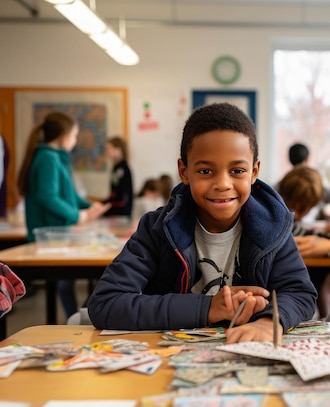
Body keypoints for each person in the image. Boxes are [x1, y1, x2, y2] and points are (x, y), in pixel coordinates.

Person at [87, 102, 317, 343]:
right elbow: (106, 303)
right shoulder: (157, 229)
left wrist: (269, 322)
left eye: (237, 171)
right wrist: (207, 308)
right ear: (184, 171)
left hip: (247, 358)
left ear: (254, 172)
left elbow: (300, 293)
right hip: (169, 362)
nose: (223, 184)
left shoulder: (273, 227)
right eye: (206, 171)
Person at [16, 111, 110, 319]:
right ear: (63, 135)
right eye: (75, 136)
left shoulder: (55, 158)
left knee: (67, 283)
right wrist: (78, 216)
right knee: (67, 282)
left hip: (57, 235)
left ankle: (75, 317)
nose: (76, 141)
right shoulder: (48, 158)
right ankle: (76, 318)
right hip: (49, 237)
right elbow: (48, 198)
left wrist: (90, 205)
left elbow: (68, 195)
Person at [277, 165, 330, 318]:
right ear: (301, 206)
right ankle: (323, 315)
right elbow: (314, 239)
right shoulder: (281, 218)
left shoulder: (276, 204)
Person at [103, 136, 133, 218]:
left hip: (121, 213)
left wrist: (105, 207)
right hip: (116, 210)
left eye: (109, 149)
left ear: (118, 150)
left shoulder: (122, 169)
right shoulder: (116, 168)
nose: (107, 152)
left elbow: (121, 197)